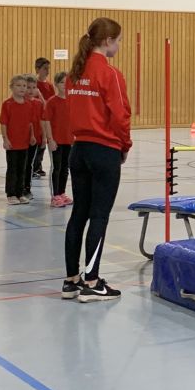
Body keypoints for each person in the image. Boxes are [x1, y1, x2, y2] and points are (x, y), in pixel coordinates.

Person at [64, 17, 132, 303]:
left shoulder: (74, 73)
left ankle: (71, 280)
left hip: (79, 150)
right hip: (103, 150)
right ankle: (92, 282)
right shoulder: (109, 73)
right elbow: (121, 115)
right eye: (118, 40)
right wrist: (124, 145)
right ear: (108, 41)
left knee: (79, 213)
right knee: (99, 216)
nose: (119, 45)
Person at [0, 75, 35, 205]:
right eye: (18, 85)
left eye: (24, 86)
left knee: (22, 169)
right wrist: (5, 139)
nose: (22, 88)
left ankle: (20, 193)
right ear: (11, 87)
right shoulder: (7, 104)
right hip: (12, 143)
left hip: (24, 143)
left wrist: (32, 136)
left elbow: (30, 123)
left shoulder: (29, 104)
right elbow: (3, 123)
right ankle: (11, 194)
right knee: (12, 169)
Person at [42, 72, 73, 207]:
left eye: (67, 83)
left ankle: (62, 193)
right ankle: (55, 196)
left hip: (69, 140)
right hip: (56, 140)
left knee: (65, 168)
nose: (65, 85)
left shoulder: (72, 100)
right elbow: (47, 121)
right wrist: (50, 139)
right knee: (57, 167)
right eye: (62, 82)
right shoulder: (52, 102)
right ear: (56, 84)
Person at [24, 75, 46, 185]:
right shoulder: (20, 102)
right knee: (21, 162)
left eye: (34, 87)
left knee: (29, 163)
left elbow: (42, 120)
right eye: (28, 87)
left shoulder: (39, 103)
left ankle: (27, 187)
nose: (31, 90)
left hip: (35, 138)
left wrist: (44, 137)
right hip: (22, 138)